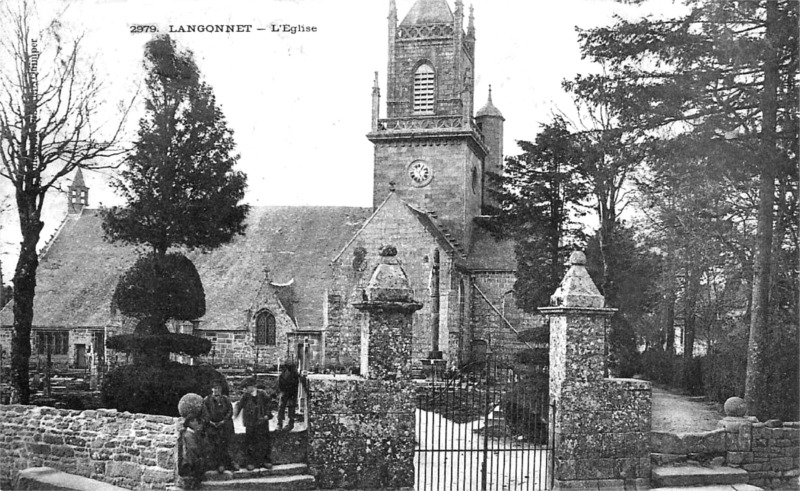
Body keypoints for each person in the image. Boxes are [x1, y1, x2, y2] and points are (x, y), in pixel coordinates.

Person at [234, 377, 273, 471]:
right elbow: (239, 406)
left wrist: (267, 415)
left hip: (262, 422)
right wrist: (235, 414)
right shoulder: (245, 396)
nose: (244, 390)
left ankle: (265, 460)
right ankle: (250, 462)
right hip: (250, 423)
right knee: (250, 442)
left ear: (252, 387)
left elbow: (269, 405)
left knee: (264, 441)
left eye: (246, 387)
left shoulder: (262, 394)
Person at [201, 381, 237, 473]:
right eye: (215, 388)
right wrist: (211, 422)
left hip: (224, 426)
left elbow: (230, 411)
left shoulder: (225, 399)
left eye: (218, 388)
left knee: (226, 444)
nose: (217, 390)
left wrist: (223, 421)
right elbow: (205, 413)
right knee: (214, 445)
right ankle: (217, 464)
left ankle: (229, 463)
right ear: (211, 389)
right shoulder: (207, 400)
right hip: (212, 426)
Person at [179, 414, 207, 490]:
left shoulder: (193, 433)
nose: (196, 423)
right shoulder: (188, 435)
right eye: (194, 421)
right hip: (190, 460)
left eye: (197, 421)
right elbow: (193, 448)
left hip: (194, 458)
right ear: (189, 423)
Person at [277, 362, 300, 431]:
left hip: (292, 393)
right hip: (285, 391)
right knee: (281, 406)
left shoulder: (295, 375)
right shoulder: (283, 375)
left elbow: (296, 384)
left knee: (291, 408)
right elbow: (280, 384)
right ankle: (280, 423)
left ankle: (290, 424)